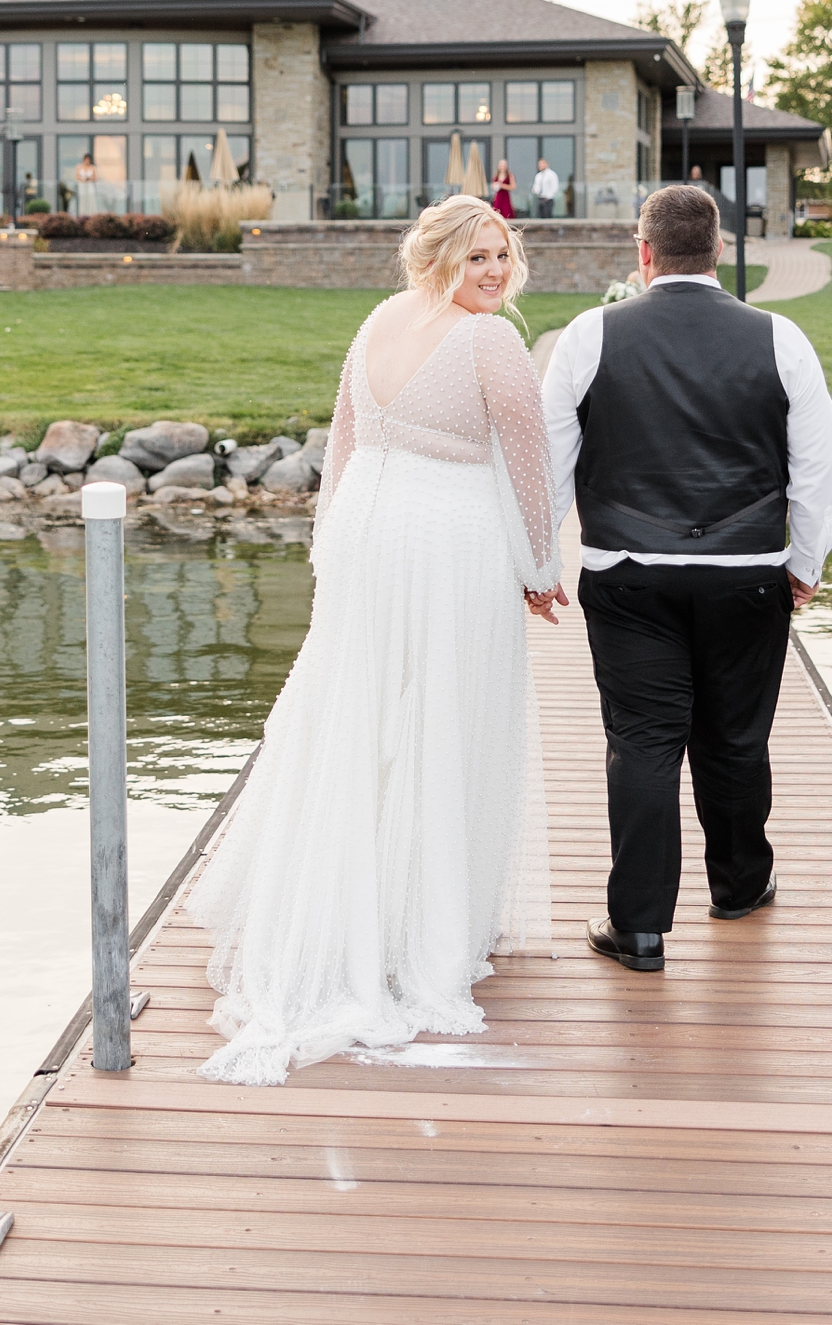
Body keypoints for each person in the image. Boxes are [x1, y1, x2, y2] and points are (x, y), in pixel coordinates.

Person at [189, 194, 565, 1086]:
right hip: (442, 539)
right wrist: (542, 565)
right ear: (437, 258)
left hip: (368, 526)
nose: (495, 272)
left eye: (502, 255)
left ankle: (360, 913)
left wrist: (334, 543)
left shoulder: (379, 321)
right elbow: (527, 459)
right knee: (442, 717)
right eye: (478, 258)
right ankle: (419, 939)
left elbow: (347, 440)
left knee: (363, 711)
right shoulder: (490, 340)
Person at [541, 182, 832, 975]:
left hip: (628, 574)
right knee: (736, 739)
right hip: (747, 576)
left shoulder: (588, 335)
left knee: (642, 744)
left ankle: (639, 929)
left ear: (643, 253)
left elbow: (544, 465)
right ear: (718, 250)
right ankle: (740, 887)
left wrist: (538, 561)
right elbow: (821, 471)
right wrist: (803, 563)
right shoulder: (781, 337)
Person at [73, 153, 99, 219]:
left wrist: (90, 178)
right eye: (86, 159)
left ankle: (91, 215)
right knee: (82, 199)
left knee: (90, 199)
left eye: (88, 159)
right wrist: (83, 179)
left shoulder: (92, 167)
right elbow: (77, 177)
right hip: (82, 186)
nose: (87, 161)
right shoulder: (79, 167)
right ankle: (82, 214)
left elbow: (96, 177)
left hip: (90, 185)